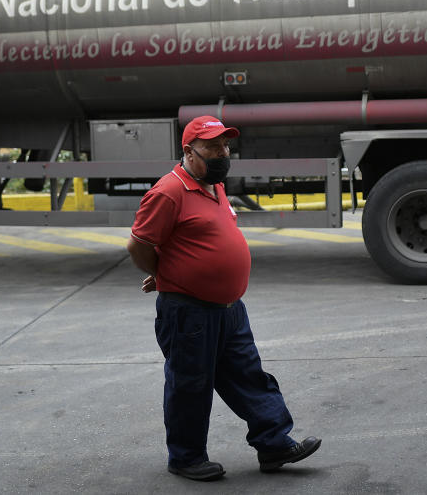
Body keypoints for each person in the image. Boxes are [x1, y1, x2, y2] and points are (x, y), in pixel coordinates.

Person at [127, 115, 321, 481]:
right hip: (190, 311)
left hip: (230, 309)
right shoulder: (168, 191)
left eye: (225, 146)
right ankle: (185, 458)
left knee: (249, 376)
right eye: (213, 147)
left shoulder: (213, 184)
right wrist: (166, 275)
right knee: (190, 384)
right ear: (189, 151)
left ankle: (274, 444)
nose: (222, 153)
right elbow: (139, 242)